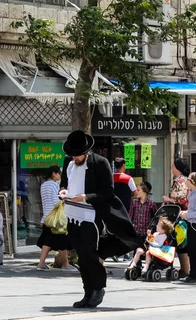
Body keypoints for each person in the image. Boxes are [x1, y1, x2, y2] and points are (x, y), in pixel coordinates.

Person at [59, 130, 142, 308]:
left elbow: (107, 191)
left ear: (86, 151)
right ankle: (87, 292)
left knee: (90, 255)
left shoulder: (100, 163)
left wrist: (86, 196)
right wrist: (64, 191)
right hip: (72, 215)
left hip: (91, 216)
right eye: (72, 155)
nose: (74, 158)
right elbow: (65, 183)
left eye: (77, 155)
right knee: (81, 256)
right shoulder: (69, 163)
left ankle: (97, 290)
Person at [36, 165, 72, 270]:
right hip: (55, 219)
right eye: (58, 173)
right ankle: (65, 265)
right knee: (61, 241)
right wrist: (64, 200)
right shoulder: (54, 185)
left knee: (50, 242)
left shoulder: (43, 185)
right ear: (53, 174)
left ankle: (42, 264)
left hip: (47, 218)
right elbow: (55, 202)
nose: (60, 175)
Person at [162, 157, 190, 278]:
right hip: (179, 214)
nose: (171, 168)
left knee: (180, 242)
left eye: (173, 166)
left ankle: (185, 269)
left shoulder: (181, 181)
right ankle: (184, 269)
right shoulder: (180, 180)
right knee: (180, 243)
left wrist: (169, 200)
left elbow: (183, 200)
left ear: (178, 168)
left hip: (180, 215)